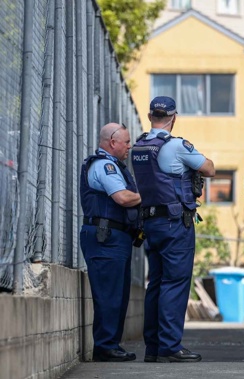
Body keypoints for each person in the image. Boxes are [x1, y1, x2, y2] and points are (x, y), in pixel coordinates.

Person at [131, 96, 215, 363]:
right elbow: (209, 168)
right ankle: (170, 346)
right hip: (175, 223)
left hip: (150, 222)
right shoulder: (176, 145)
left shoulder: (139, 146)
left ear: (149, 116)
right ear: (173, 117)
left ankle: (153, 347)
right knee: (175, 283)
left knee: (155, 283)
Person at [80, 122, 141, 362]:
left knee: (118, 293)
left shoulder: (115, 165)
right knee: (108, 294)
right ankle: (105, 346)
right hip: (105, 238)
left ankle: (110, 344)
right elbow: (123, 197)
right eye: (126, 142)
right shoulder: (105, 165)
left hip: (114, 238)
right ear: (112, 142)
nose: (129, 146)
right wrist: (153, 196)